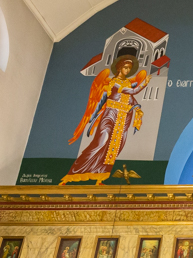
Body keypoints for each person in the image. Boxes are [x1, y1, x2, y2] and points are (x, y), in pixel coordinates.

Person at [61, 55, 150, 186]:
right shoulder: (114, 82)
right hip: (110, 116)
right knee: (100, 143)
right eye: (125, 67)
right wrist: (145, 83)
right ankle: (70, 176)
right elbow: (132, 91)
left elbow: (130, 98)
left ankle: (100, 178)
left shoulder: (127, 82)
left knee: (114, 148)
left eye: (129, 68)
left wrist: (137, 108)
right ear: (119, 68)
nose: (127, 70)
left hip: (123, 119)